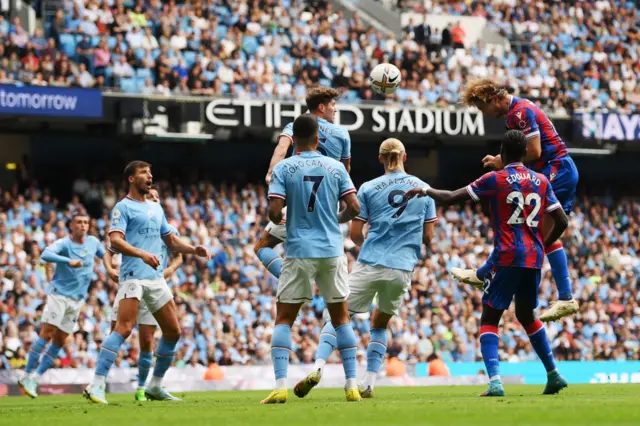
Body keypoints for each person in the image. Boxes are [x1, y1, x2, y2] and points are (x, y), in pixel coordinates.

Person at [406, 130, 569, 396]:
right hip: (533, 258)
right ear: (525, 152)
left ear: (502, 153)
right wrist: (541, 244)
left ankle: (495, 382)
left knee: (490, 318)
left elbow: (449, 197)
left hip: (506, 256)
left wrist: (425, 189)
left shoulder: (496, 179)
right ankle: (553, 374)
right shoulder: (540, 180)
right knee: (527, 315)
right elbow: (562, 220)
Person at [294, 139, 436, 399]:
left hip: (371, 261)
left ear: (381, 158)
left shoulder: (369, 188)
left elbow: (356, 233)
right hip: (402, 268)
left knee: (336, 316)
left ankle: (318, 366)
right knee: (380, 323)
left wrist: (370, 242)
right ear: (404, 156)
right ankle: (369, 382)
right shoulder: (424, 189)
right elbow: (428, 237)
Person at [84, 161, 210, 404]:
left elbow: (171, 241)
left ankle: (155, 385)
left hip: (155, 278)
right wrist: (141, 253)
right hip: (134, 276)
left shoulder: (156, 208)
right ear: (131, 179)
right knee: (123, 328)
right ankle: (96, 384)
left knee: (173, 331)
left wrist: (194, 249)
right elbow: (115, 241)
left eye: (150, 172)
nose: (149, 176)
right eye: (143, 172)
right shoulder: (123, 207)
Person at [459, 79, 579, 322]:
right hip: (555, 170)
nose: (485, 115)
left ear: (492, 100)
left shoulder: (520, 113)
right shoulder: (515, 112)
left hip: (557, 169)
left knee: (528, 227)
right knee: (535, 230)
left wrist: (499, 163)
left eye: (483, 109)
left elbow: (533, 151)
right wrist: (500, 159)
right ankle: (565, 296)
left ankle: (486, 273)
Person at [261, 114, 361, 404]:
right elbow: (353, 207)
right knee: (341, 319)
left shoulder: (284, 167)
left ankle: (280, 386)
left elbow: (273, 212)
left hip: (299, 250)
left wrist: (283, 216)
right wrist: (335, 218)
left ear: (294, 140)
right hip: (331, 250)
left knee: (284, 319)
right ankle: (352, 386)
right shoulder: (334, 167)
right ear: (318, 138)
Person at [255, 87, 351, 280]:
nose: (336, 109)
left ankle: (289, 278)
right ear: (322, 107)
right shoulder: (342, 134)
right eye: (333, 105)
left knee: (262, 246)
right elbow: (345, 172)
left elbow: (282, 148)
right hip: (326, 210)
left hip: (298, 205)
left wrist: (271, 173)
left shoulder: (296, 126)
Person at [103, 186, 183, 402]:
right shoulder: (133, 217)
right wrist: (110, 269)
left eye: (157, 196)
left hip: (155, 283)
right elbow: (110, 249)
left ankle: (143, 388)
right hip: (132, 279)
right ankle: (99, 382)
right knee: (118, 331)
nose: (154, 199)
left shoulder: (165, 225)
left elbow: (178, 255)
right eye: (150, 195)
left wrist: (169, 270)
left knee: (148, 339)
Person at [18, 211, 105, 398]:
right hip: (59, 296)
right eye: (79, 222)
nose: (83, 225)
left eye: (86, 222)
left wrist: (113, 269)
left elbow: (105, 256)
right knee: (46, 334)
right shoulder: (64, 243)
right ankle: (26, 375)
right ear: (71, 226)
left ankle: (35, 379)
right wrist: (68, 261)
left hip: (77, 300)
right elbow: (45, 254)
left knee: (59, 340)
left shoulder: (93, 242)